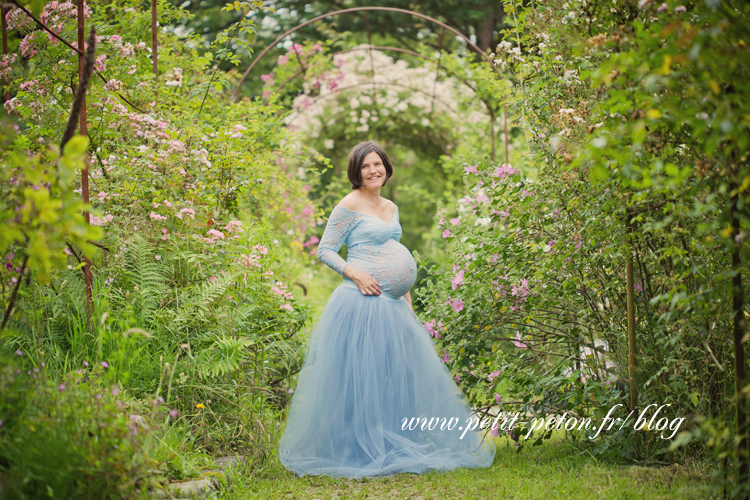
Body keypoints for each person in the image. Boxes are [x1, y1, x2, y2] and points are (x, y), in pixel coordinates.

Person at [278, 140, 496, 478]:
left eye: (377, 164)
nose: (372, 170)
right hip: (361, 303)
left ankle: (392, 444)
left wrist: (407, 300)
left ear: (386, 167)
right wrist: (354, 272)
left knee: (393, 376)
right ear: (356, 172)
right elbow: (326, 250)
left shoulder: (391, 207)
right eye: (365, 166)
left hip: (394, 304)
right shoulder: (349, 203)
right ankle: (359, 449)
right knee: (363, 378)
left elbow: (393, 249)